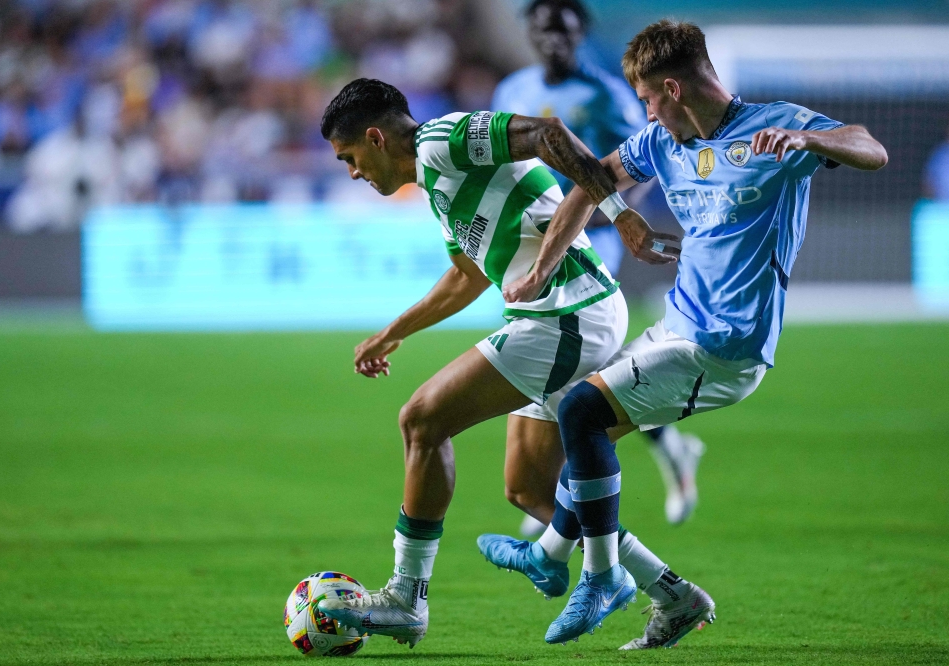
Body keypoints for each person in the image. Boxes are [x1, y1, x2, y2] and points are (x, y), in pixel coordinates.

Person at [487, 20, 888, 647]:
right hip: (675, 329)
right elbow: (591, 182)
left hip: (726, 349)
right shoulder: (661, 142)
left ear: (672, 87)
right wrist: (542, 269)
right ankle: (666, 595)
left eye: (648, 98)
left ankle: (595, 575)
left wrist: (811, 139)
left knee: (585, 412)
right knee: (562, 431)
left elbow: (870, 147)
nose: (646, 110)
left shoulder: (775, 126)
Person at [314, 78, 696, 648]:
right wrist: (391, 334)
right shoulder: (439, 184)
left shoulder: (443, 140)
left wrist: (618, 213)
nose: (352, 173)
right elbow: (466, 277)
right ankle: (673, 593)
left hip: (568, 313)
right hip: (563, 314)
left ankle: (405, 597)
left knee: (422, 419)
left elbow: (547, 133)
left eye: (350, 158)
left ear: (375, 137)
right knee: (529, 488)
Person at [492, 0, 706, 532]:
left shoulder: (607, 95)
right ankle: (670, 453)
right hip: (533, 247)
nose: (554, 41)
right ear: (530, 33)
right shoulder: (511, 91)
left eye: (564, 31)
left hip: (589, 244)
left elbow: (648, 158)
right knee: (584, 373)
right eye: (544, 30)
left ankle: (556, 494)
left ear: (580, 33)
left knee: (585, 370)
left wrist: (618, 215)